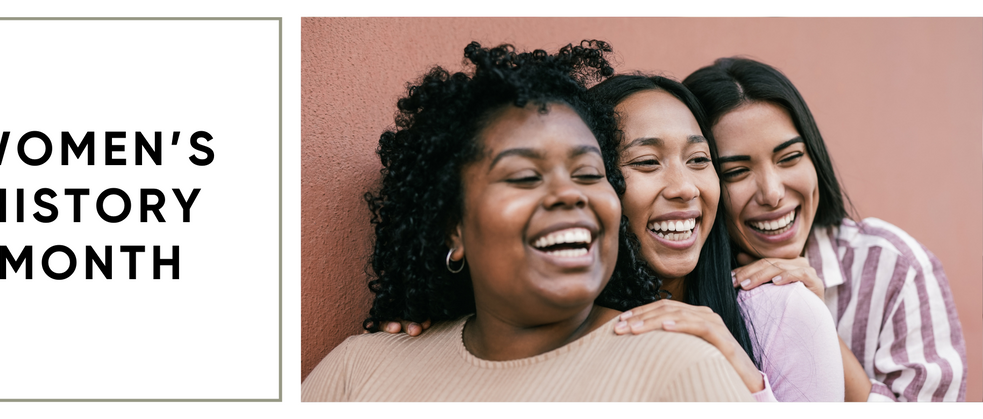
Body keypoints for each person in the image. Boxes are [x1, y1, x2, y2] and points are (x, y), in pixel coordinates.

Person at [301, 41, 753, 402]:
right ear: (452, 227)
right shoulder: (357, 371)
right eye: (524, 176)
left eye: (589, 174)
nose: (570, 194)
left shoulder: (682, 368)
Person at [683, 57, 968, 402]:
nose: (772, 193)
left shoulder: (893, 267)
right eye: (736, 172)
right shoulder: (683, 276)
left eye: (789, 158)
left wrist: (817, 326)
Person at [586, 74, 843, 402]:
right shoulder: (560, 330)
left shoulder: (781, 310)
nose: (685, 188)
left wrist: (738, 370)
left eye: (698, 160)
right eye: (647, 162)